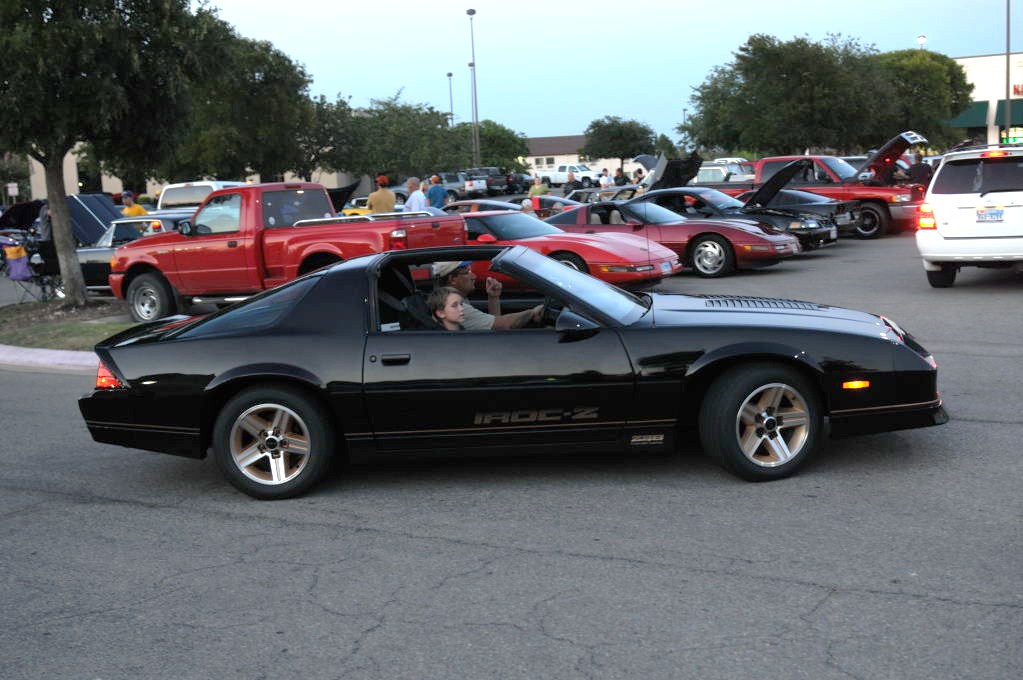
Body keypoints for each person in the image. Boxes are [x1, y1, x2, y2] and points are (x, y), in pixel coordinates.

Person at [432, 260, 542, 330]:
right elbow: (503, 325)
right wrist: (533, 312)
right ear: (452, 279)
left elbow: (493, 326)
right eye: (467, 272)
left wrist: (493, 297)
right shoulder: (457, 307)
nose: (474, 276)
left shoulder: (453, 300)